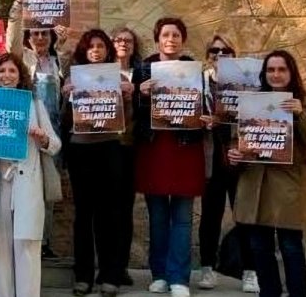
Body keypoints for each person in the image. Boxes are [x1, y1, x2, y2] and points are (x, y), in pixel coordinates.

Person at [228, 50, 306, 297]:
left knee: (291, 247)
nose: (276, 74)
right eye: (271, 70)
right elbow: (237, 141)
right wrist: (234, 155)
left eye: (282, 69)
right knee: (260, 248)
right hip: (255, 188)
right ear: (265, 74)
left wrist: (300, 114)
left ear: (291, 72)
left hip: (290, 189)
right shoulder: (251, 102)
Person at [0, 53, 62, 297]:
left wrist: (42, 138)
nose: (6, 76)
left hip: (26, 181)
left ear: (20, 76)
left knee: (27, 248)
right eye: (1, 71)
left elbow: (55, 144)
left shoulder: (34, 104)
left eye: (12, 71)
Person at [135, 17, 206, 297]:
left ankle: (179, 277)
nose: (171, 39)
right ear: (157, 39)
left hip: (186, 148)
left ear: (183, 40)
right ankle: (160, 274)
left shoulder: (196, 72)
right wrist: (140, 95)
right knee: (158, 217)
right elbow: (129, 116)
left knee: (184, 218)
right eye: (166, 34)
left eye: (176, 34)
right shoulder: (142, 70)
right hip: (154, 149)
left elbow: (206, 106)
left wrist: (206, 115)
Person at [60, 29, 134, 297]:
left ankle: (110, 274)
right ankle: (83, 275)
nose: (95, 50)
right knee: (83, 215)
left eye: (100, 46)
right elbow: (66, 121)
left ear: (107, 50)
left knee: (109, 214)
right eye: (90, 46)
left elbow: (126, 121)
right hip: (81, 151)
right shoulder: (72, 78)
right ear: (83, 50)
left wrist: (128, 96)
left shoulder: (120, 77)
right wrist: (66, 97)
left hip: (110, 149)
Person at [6, 0, 70, 257]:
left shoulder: (59, 61)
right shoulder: (23, 60)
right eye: (35, 33)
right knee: (24, 188)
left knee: (49, 190)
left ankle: (44, 243)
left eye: (45, 33)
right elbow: (11, 41)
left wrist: (65, 45)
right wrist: (19, 4)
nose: (40, 37)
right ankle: (21, 239)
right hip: (26, 131)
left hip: (53, 133)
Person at [198, 34, 258, 292]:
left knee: (244, 215)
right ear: (208, 54)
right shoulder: (198, 82)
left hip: (238, 157)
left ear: (234, 55)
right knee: (210, 216)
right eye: (215, 50)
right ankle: (207, 269)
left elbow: (259, 116)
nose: (220, 54)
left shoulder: (248, 83)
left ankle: (250, 271)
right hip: (211, 156)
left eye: (226, 50)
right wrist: (204, 120)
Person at [110, 25, 143, 287]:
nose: (123, 43)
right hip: (103, 148)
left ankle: (120, 267)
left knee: (123, 210)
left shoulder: (141, 74)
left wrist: (137, 95)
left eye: (128, 41)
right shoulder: (96, 72)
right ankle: (106, 267)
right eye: (119, 40)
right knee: (104, 211)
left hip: (130, 148)